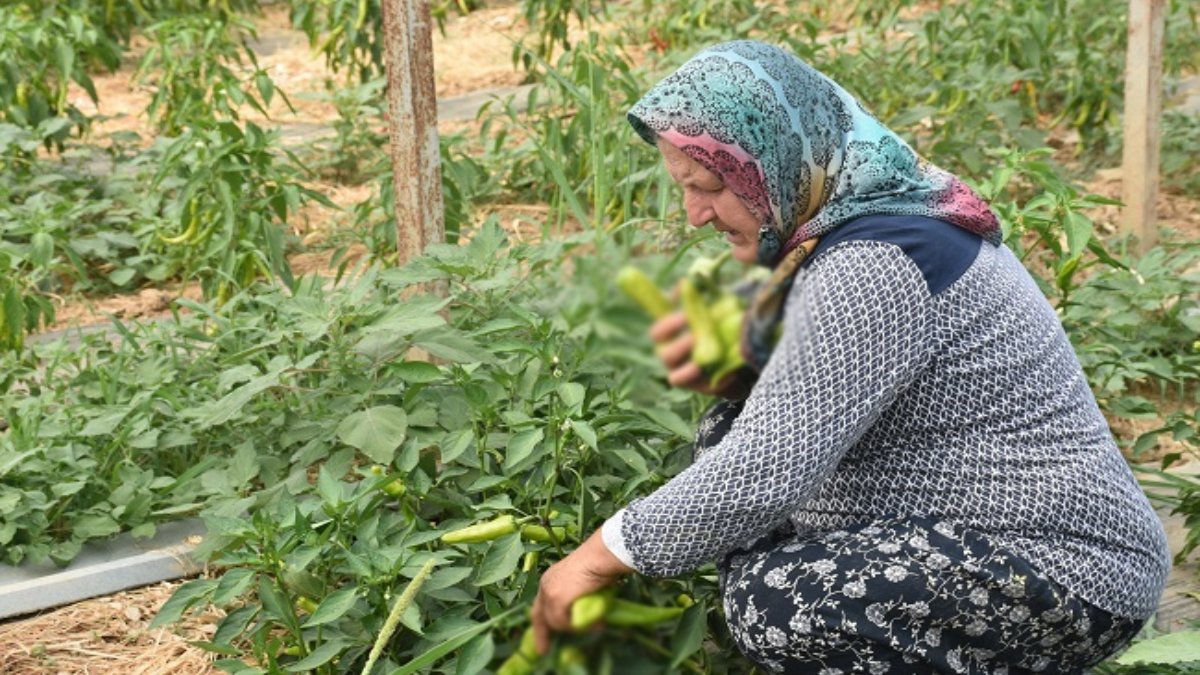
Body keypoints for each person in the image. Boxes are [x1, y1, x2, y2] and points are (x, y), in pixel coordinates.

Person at [530, 40, 1169, 673]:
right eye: (686, 189)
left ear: (772, 165)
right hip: (983, 538)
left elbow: (766, 469)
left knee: (783, 603)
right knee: (734, 426)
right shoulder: (864, 219)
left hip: (1061, 562)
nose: (696, 214)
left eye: (710, 187)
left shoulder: (876, 261)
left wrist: (595, 558)